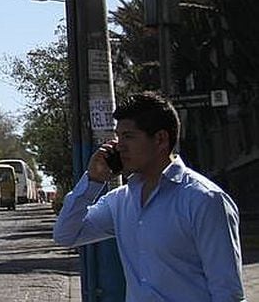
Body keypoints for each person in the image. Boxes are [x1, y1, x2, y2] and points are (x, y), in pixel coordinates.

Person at [53, 92, 245, 301]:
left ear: (160, 139)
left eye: (128, 136)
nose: (119, 146)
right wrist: (92, 181)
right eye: (118, 136)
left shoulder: (203, 200)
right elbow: (66, 235)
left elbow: (227, 291)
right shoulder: (121, 201)